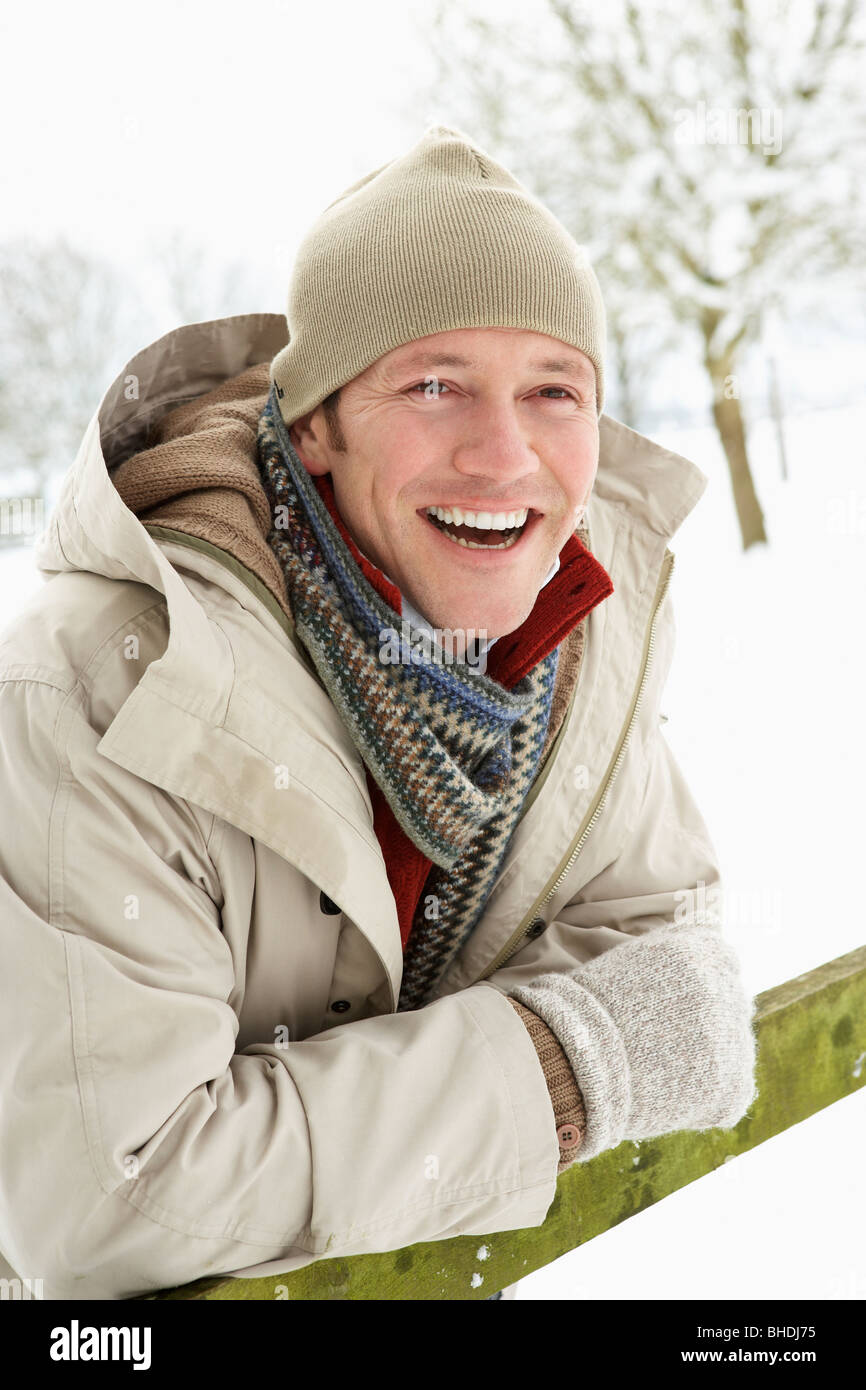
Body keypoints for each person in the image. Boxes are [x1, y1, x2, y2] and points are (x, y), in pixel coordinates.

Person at [0, 125, 758, 1302]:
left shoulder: (579, 634)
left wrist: (318, 1128)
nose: (503, 455)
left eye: (552, 390)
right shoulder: (95, 687)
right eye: (434, 384)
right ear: (314, 424)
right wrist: (559, 1069)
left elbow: (658, 945)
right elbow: (113, 1199)